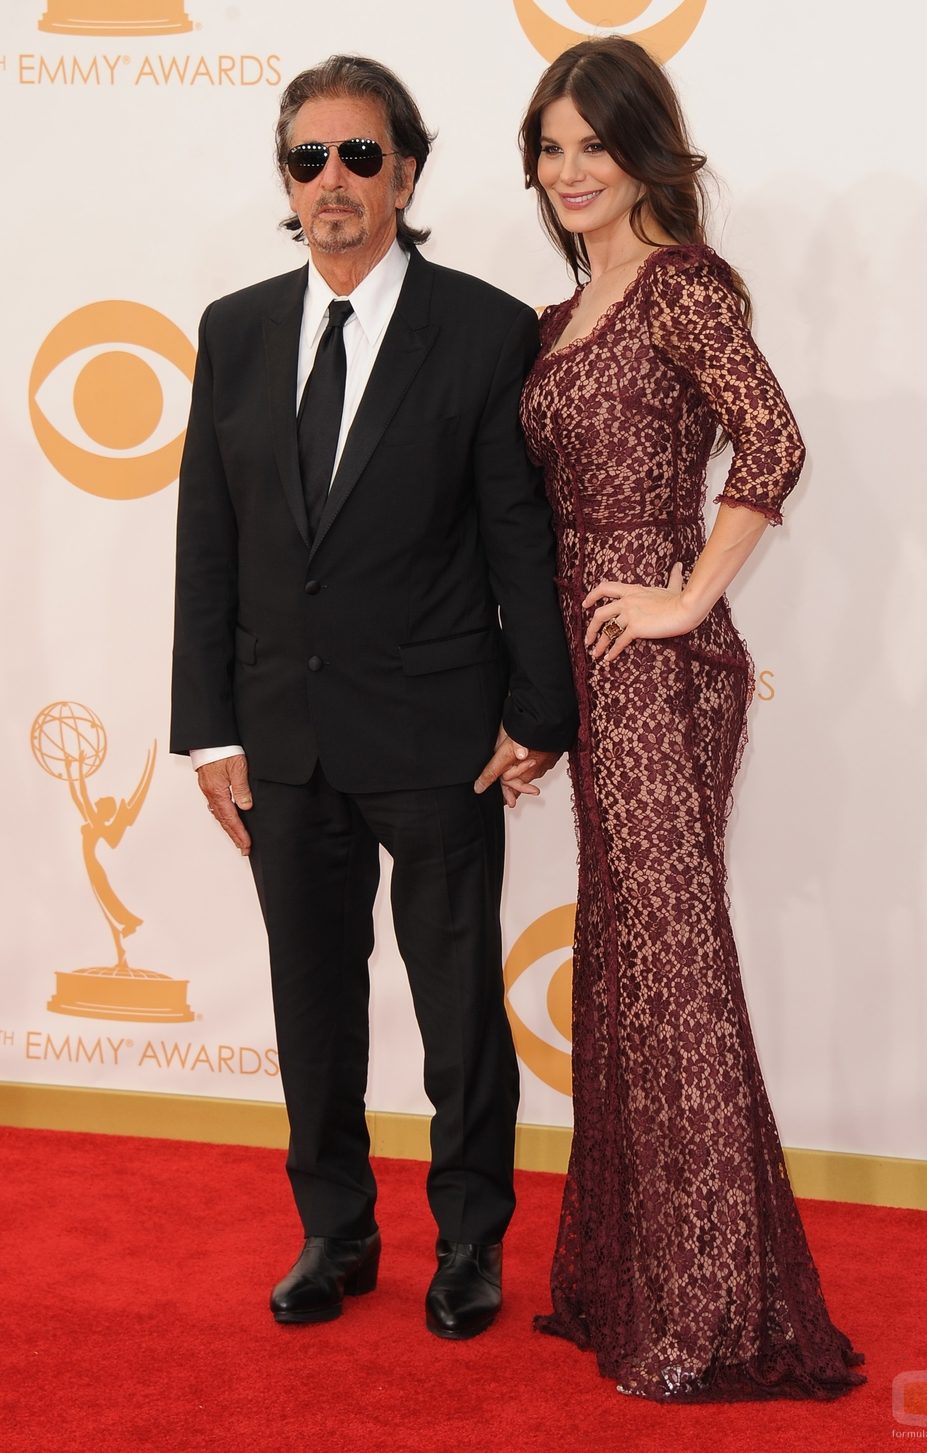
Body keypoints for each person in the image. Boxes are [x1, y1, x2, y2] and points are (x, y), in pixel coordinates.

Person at [171, 54, 576, 1340]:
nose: (333, 182)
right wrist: (210, 728)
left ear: (406, 170)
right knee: (312, 999)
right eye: (308, 160)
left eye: (360, 156)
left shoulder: (484, 326)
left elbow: (520, 537)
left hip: (440, 731)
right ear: (285, 181)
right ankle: (335, 1233)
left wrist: (536, 708)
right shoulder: (234, 329)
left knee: (456, 1001)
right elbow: (208, 542)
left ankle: (469, 1244)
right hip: (280, 737)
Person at [518, 36, 865, 1401]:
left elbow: (773, 443)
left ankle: (719, 1310)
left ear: (644, 149)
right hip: (589, 669)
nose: (568, 173)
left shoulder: (685, 289)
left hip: (659, 675)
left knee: (674, 981)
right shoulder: (563, 317)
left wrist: (684, 595)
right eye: (548, 150)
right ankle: (628, 1282)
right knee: (623, 974)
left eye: (592, 145)